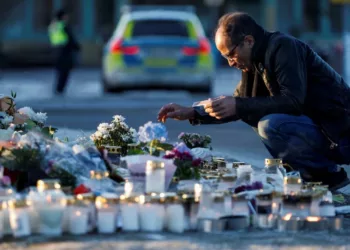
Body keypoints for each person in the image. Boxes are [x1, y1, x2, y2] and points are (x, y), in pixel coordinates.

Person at [158, 12, 350, 195]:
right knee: (257, 115)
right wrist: (192, 112)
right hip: (324, 134)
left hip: (340, 134)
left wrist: (238, 105)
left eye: (230, 55)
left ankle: (331, 181)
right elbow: (235, 104)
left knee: (271, 125)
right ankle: (314, 178)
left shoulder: (284, 47)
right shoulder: (253, 62)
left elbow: (293, 101)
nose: (230, 63)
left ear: (248, 41)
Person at [48, 9, 80, 95]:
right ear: (62, 16)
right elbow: (71, 39)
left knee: (59, 72)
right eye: (66, 15)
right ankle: (60, 89)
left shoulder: (53, 26)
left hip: (56, 51)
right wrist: (77, 47)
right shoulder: (63, 26)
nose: (67, 17)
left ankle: (58, 89)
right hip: (65, 51)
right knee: (65, 72)